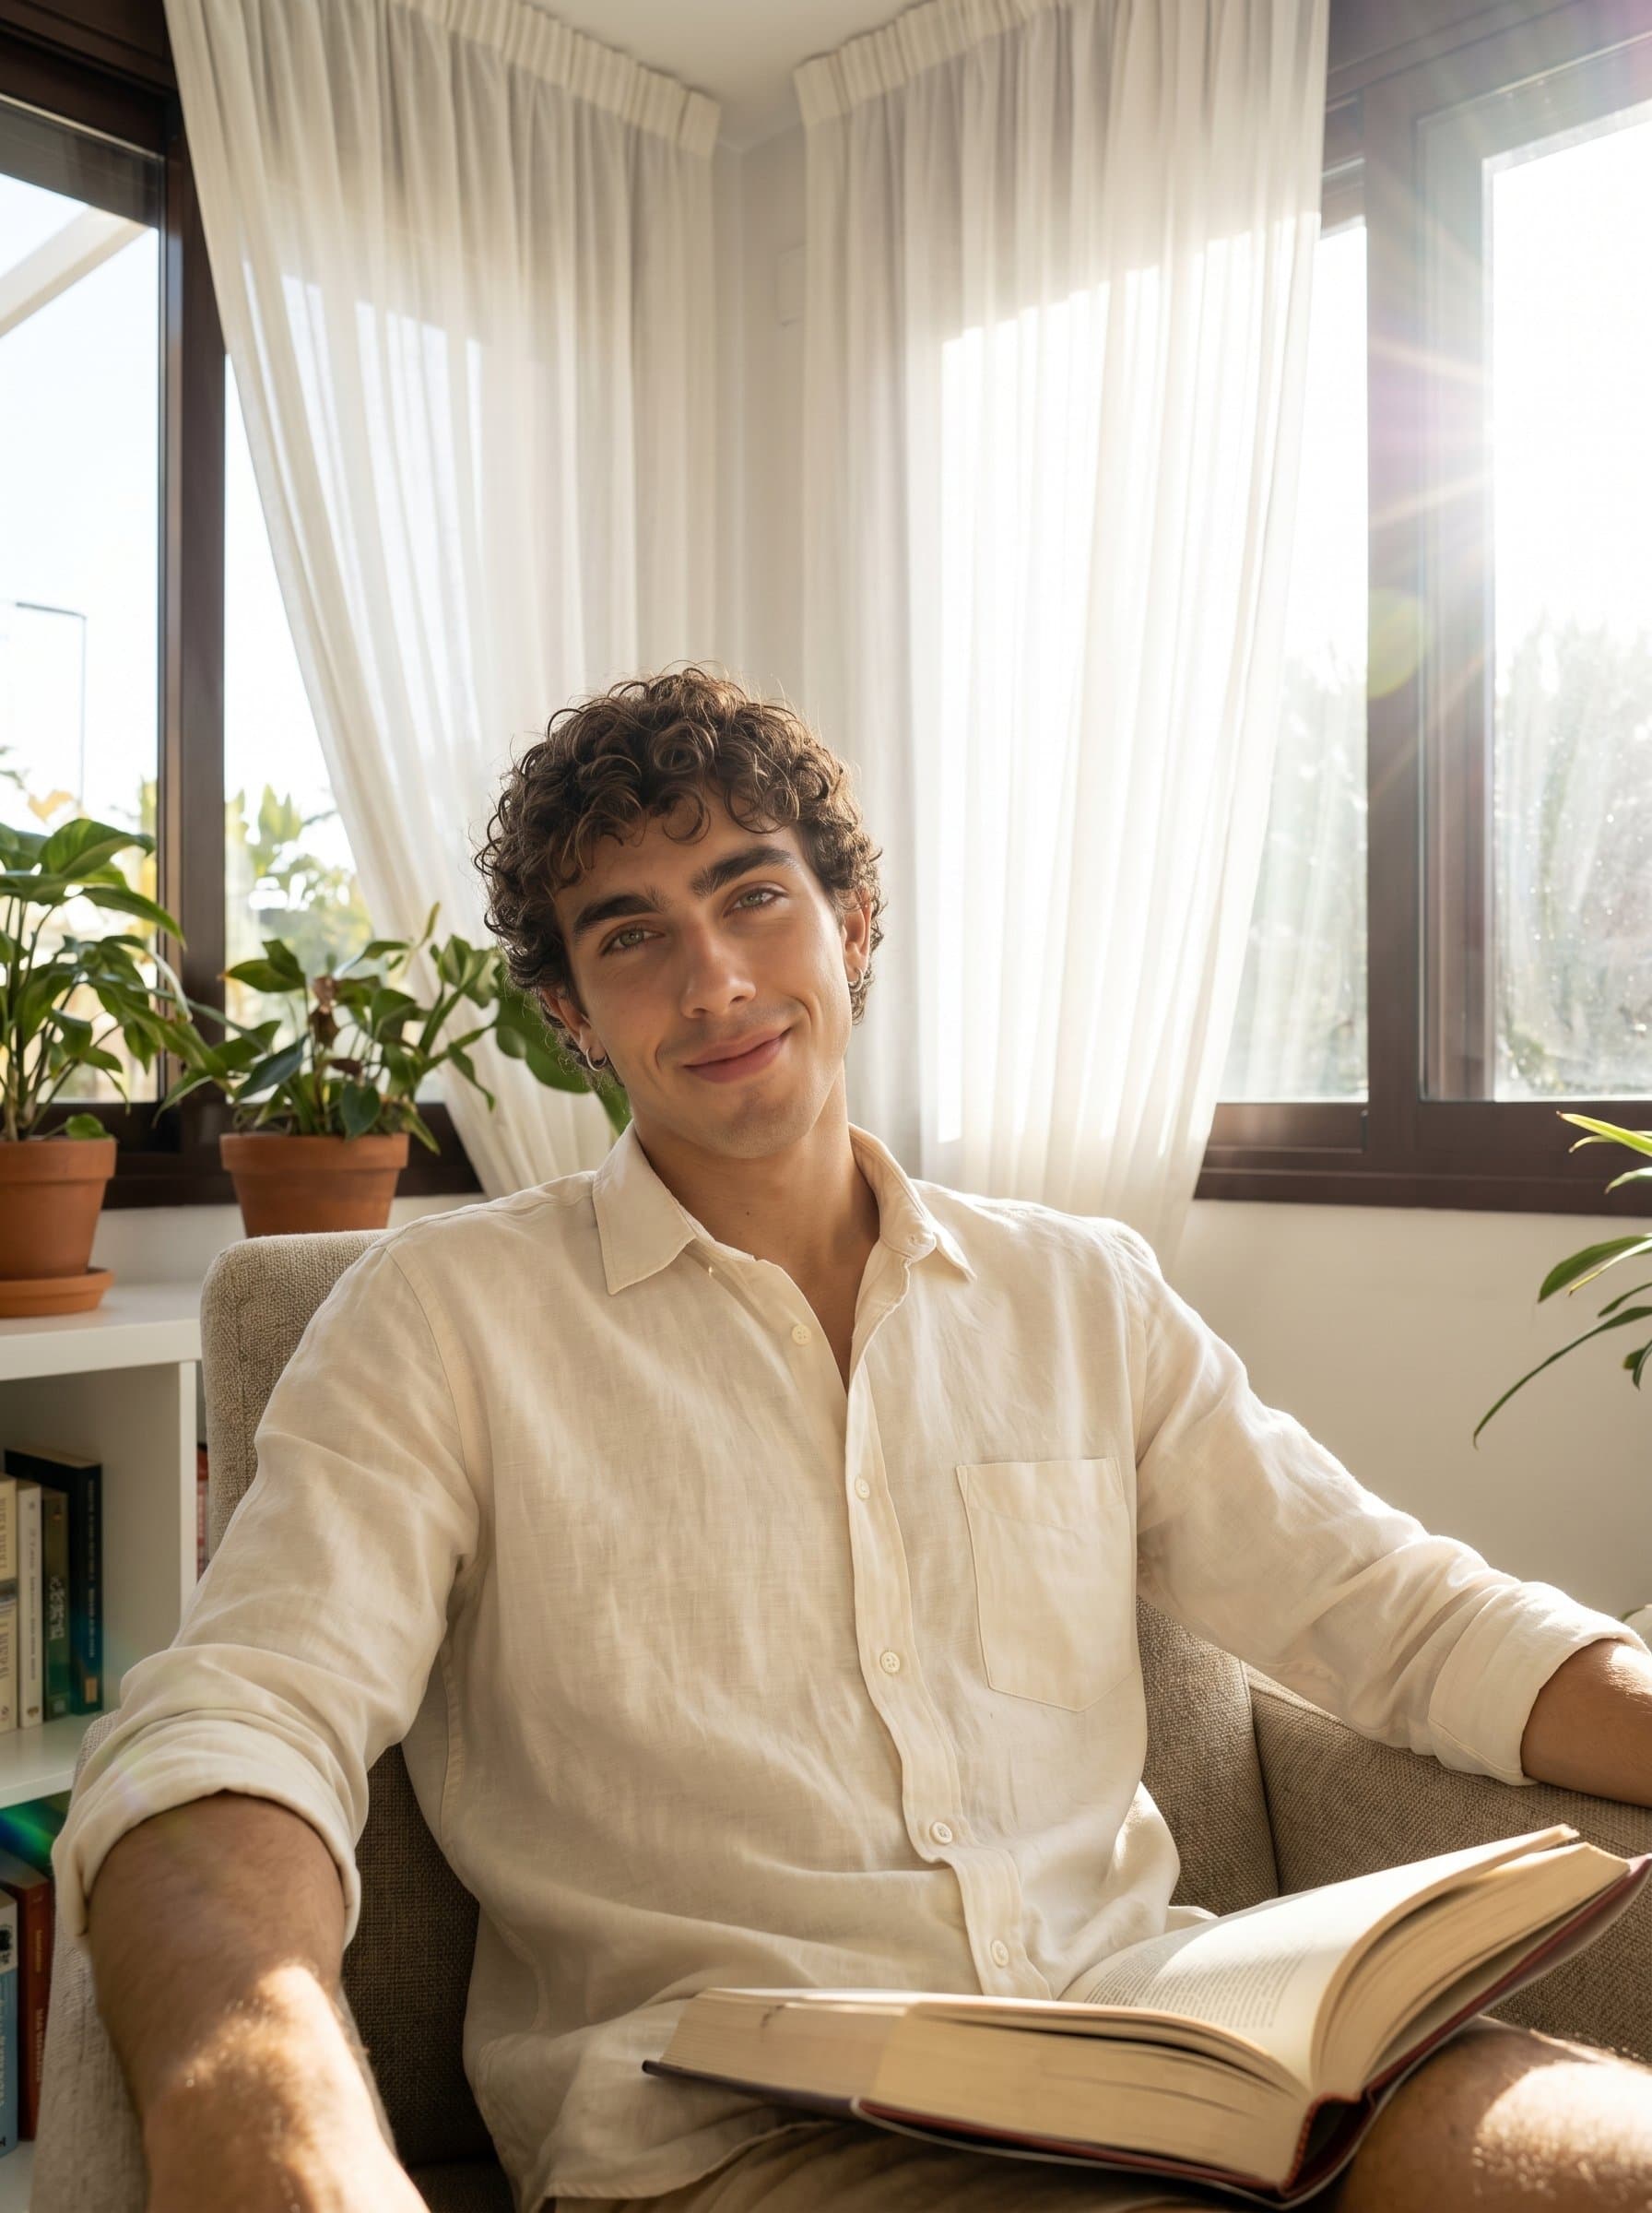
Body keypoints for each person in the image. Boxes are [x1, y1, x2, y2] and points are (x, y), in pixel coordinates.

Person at [59, 668, 1652, 2213]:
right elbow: (241, 1725)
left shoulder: (1081, 1293)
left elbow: (1398, 1615)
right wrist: (268, 2127)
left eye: (755, 898)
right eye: (634, 939)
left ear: (853, 925)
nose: (717, 983)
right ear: (571, 1022)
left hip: (1169, 2049)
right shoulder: (439, 1319)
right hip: (736, 2140)